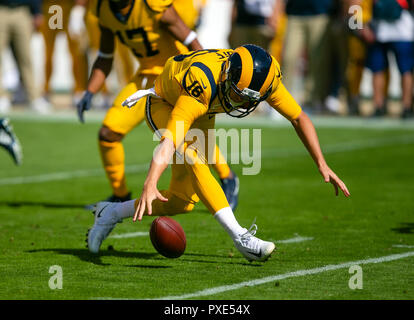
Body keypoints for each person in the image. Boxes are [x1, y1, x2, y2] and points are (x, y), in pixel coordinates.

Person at [86, 45, 351, 262]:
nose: (244, 103)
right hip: (165, 103)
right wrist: (150, 180)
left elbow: (298, 117)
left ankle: (109, 213)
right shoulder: (203, 82)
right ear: (227, 76)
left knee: (181, 202)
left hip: (203, 108)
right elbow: (170, 140)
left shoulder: (266, 79)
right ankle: (242, 238)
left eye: (249, 99)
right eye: (239, 95)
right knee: (195, 157)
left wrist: (321, 163)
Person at [77, 0, 239, 211]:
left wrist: (206, 81)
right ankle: (119, 195)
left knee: (185, 134)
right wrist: (90, 90)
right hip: (145, 77)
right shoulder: (103, 9)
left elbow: (191, 40)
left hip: (174, 75)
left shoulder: (152, 5)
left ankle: (227, 177)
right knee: (108, 133)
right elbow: (105, 56)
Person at [0, 0, 51, 114]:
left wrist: (37, 11)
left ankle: (34, 97)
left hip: (22, 11)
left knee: (25, 58)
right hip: (1, 9)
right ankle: (1, 96)